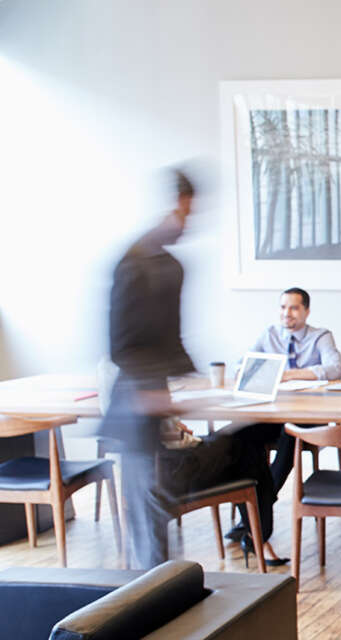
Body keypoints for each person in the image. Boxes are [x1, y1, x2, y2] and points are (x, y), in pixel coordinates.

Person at [101, 168, 284, 568]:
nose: (185, 225)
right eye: (182, 214)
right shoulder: (131, 265)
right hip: (137, 424)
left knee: (251, 439)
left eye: (190, 215)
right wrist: (152, 393)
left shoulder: (172, 268)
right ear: (166, 208)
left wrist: (193, 382)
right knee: (149, 534)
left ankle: (250, 540)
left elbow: (173, 342)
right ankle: (150, 601)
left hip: (166, 423)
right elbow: (120, 345)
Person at [224, 287, 341, 541]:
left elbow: (334, 369)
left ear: (306, 311)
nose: (286, 313)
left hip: (308, 415)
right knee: (241, 433)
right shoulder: (269, 335)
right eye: (282, 307)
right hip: (273, 413)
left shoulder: (320, 336)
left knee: (291, 434)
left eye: (293, 308)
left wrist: (288, 374)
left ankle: (261, 504)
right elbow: (243, 365)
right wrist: (249, 371)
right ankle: (251, 507)